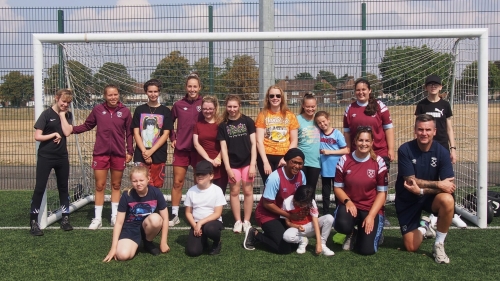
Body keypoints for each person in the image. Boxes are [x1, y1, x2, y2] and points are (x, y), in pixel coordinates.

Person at [395, 114, 456, 264]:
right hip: (407, 198)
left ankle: (439, 244)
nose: (424, 133)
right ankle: (424, 227)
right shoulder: (405, 149)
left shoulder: (442, 152)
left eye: (428, 130)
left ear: (434, 131)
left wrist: (422, 190)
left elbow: (449, 186)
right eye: (420, 129)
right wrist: (438, 184)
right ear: (415, 131)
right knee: (411, 246)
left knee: (447, 200)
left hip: (428, 197)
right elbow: (411, 181)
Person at [73, 84, 133, 229]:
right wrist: (71, 130)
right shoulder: (98, 110)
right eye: (110, 95)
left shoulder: (125, 111)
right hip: (100, 154)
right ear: (105, 96)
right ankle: (97, 218)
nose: (113, 97)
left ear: (119, 95)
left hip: (119, 154)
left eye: (115, 94)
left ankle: (114, 216)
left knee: (116, 185)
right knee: (99, 186)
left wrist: (130, 151)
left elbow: (129, 133)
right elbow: (87, 125)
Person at [414, 75, 465, 228]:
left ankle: (453, 213)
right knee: (429, 178)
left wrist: (453, 148)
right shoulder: (422, 105)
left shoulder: (445, 105)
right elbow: (417, 127)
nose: (433, 87)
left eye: (436, 84)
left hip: (442, 147)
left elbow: (449, 128)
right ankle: (431, 212)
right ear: (426, 88)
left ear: (441, 87)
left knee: (447, 179)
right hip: (426, 147)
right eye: (430, 84)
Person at [333, 127, 388, 255]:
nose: (364, 144)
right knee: (342, 224)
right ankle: (352, 232)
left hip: (370, 208)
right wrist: (347, 201)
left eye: (367, 141)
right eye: (361, 140)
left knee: (366, 250)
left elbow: (382, 193)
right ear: (355, 142)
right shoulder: (344, 160)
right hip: (351, 206)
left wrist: (371, 216)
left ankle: (373, 234)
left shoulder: (379, 162)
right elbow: (337, 187)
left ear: (372, 142)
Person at [243, 148, 306, 254]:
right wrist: (289, 216)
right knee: (284, 249)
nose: (297, 166)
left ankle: (271, 233)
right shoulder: (275, 177)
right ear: (287, 161)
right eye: (294, 162)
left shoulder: (302, 175)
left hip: (284, 215)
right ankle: (255, 234)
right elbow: (267, 204)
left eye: (300, 163)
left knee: (294, 243)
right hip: (267, 214)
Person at [30, 89, 74, 236]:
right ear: (56, 98)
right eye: (63, 101)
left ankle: (65, 218)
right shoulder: (46, 114)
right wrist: (53, 134)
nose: (66, 104)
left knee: (63, 187)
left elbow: (67, 132)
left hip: (62, 157)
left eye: (68, 102)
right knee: (40, 187)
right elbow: (37, 136)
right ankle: (34, 222)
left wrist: (62, 115)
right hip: (46, 157)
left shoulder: (67, 114)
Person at [103, 166, 170, 262]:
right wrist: (113, 248)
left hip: (147, 225)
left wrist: (163, 242)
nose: (138, 183)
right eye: (135, 181)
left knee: (156, 219)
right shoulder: (127, 195)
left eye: (141, 180)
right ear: (131, 181)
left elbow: (165, 218)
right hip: (130, 228)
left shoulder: (156, 193)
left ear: (148, 179)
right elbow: (119, 223)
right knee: (122, 256)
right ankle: (135, 243)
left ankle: (148, 242)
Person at [217, 95, 257, 234]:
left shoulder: (248, 121)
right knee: (234, 192)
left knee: (247, 191)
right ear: (226, 107)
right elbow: (223, 148)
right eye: (229, 106)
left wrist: (253, 164)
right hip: (233, 164)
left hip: (247, 163)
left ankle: (246, 220)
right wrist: (228, 168)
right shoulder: (223, 125)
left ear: (239, 106)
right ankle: (237, 221)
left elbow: (254, 144)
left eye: (235, 106)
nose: (232, 109)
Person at [169, 72, 204, 226]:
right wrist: (173, 138)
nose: (192, 89)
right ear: (186, 87)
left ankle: (198, 211)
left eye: (195, 86)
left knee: (200, 181)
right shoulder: (178, 105)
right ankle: (175, 214)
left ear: (199, 88)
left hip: (199, 150)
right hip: (181, 149)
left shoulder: (204, 104)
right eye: (189, 86)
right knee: (178, 182)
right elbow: (168, 123)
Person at [131, 79, 173, 189]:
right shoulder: (139, 110)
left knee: (156, 185)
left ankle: (154, 206)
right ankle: (141, 206)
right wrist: (145, 152)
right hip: (141, 153)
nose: (153, 94)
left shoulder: (166, 111)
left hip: (158, 153)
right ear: (146, 92)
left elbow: (165, 134)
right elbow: (136, 133)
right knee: (140, 184)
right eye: (150, 91)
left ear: (159, 92)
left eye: (155, 91)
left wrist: (151, 152)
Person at [343, 78, 394, 168]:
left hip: (379, 152)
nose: (361, 92)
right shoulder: (350, 108)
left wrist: (391, 149)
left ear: (369, 90)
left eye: (363, 89)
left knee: (381, 181)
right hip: (358, 153)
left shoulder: (380, 106)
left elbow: (388, 128)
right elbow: (347, 132)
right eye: (358, 90)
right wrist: (348, 149)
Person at [255, 85, 299, 185]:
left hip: (284, 156)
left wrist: (286, 158)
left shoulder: (290, 116)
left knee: (282, 186)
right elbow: (259, 141)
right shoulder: (262, 115)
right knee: (269, 186)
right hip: (266, 156)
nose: (275, 98)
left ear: (282, 98)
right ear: (268, 98)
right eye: (272, 96)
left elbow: (294, 141)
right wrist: (265, 162)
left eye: (278, 96)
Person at [184, 160, 227, 256]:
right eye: (197, 173)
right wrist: (195, 225)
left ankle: (217, 242)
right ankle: (203, 240)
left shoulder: (217, 190)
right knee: (193, 252)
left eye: (203, 174)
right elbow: (188, 212)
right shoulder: (191, 191)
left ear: (211, 176)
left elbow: (217, 213)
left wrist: (200, 222)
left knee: (210, 229)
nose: (200, 176)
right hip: (197, 224)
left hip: (213, 222)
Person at [282, 185, 335, 256]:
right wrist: (297, 226)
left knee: (329, 218)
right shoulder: (287, 202)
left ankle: (323, 244)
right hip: (297, 229)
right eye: (300, 204)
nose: (302, 206)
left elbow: (315, 221)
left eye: (304, 204)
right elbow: (287, 223)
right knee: (287, 236)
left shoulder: (311, 202)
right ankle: (303, 241)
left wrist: (318, 243)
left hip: (310, 226)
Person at [314, 111, 349, 215]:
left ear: (329, 120)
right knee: (325, 193)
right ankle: (325, 213)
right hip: (325, 170)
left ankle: (339, 213)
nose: (322, 124)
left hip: (337, 170)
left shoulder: (337, 134)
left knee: (338, 192)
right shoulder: (318, 134)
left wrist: (330, 152)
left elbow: (346, 150)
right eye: (319, 123)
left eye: (324, 121)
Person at [193, 95, 228, 194]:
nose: (207, 111)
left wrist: (218, 158)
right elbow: (196, 144)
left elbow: (226, 144)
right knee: (202, 193)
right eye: (204, 109)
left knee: (219, 193)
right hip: (203, 164)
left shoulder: (222, 124)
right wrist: (209, 160)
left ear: (215, 108)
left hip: (219, 163)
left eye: (210, 109)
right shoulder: (198, 125)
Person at [297, 93, 321, 191]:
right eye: (307, 106)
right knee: (300, 189)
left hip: (315, 161)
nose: (310, 109)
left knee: (311, 190)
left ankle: (312, 207)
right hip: (301, 161)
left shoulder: (318, 120)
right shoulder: (297, 119)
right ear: (303, 105)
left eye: (313, 106)